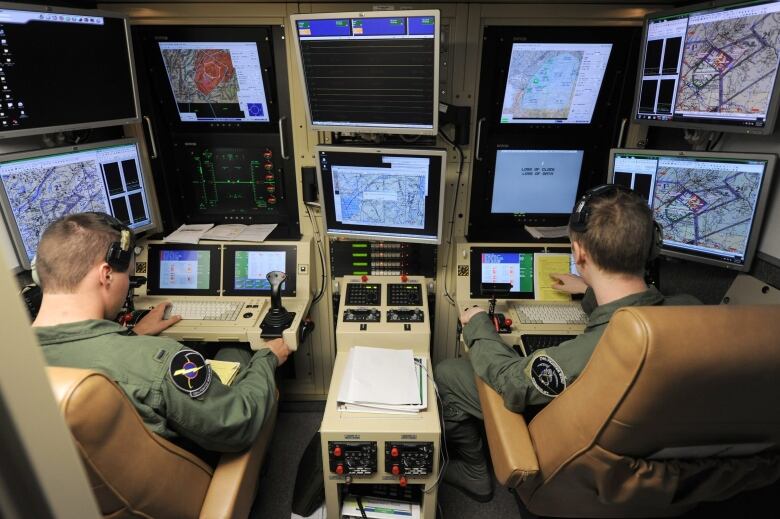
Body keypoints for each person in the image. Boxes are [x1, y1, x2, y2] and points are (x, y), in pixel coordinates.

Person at [434, 185, 699, 502]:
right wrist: (587, 286)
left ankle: (475, 473)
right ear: (651, 247)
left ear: (579, 253)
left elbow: (511, 381)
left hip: (568, 443)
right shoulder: (691, 308)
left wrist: (477, 323)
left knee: (449, 373)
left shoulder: (600, 348)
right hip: (661, 456)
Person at [32, 212, 291, 455]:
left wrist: (133, 336)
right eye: (129, 276)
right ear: (106, 275)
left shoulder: (13, 364)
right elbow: (237, 423)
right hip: (178, 481)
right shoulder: (159, 362)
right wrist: (266, 359)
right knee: (235, 353)